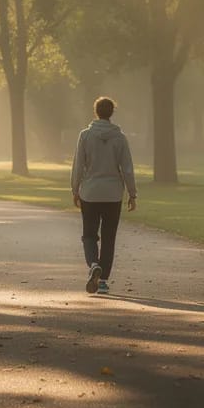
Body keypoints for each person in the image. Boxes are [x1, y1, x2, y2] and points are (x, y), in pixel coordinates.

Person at [70, 96, 137, 295]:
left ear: (96, 111)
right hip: (113, 194)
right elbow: (127, 168)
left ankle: (93, 264)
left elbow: (78, 165)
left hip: (90, 192)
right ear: (111, 113)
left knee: (89, 235)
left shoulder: (85, 135)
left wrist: (75, 189)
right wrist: (132, 194)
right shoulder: (120, 137)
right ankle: (103, 280)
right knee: (109, 237)